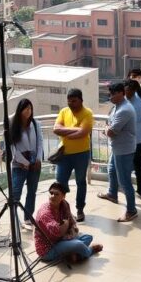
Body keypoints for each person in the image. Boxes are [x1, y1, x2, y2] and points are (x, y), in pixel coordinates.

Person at [98, 82, 138, 222]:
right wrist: (108, 128)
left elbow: (111, 132)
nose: (111, 97)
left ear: (121, 93)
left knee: (125, 181)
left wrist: (107, 129)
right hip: (117, 148)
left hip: (124, 150)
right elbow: (110, 127)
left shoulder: (124, 110)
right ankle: (112, 194)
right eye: (110, 94)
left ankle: (131, 211)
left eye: (113, 94)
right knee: (111, 170)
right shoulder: (117, 107)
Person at [34, 182, 102, 264]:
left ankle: (72, 254)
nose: (52, 196)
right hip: (48, 249)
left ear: (63, 196)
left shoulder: (64, 204)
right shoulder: (45, 213)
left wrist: (70, 227)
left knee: (88, 237)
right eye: (51, 193)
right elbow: (58, 231)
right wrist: (67, 225)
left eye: (56, 194)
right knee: (79, 245)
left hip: (61, 239)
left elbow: (72, 222)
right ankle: (89, 251)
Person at [53, 88, 94, 222]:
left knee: (80, 182)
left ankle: (80, 209)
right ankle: (60, 210)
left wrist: (66, 133)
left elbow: (83, 133)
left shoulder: (87, 113)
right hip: (64, 154)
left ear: (81, 100)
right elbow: (56, 129)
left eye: (74, 101)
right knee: (60, 183)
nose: (71, 103)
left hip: (81, 154)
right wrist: (76, 129)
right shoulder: (64, 111)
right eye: (69, 101)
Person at [9, 98, 44, 227]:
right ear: (20, 110)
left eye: (30, 109)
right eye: (26, 108)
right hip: (19, 164)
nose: (28, 111)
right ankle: (14, 219)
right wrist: (26, 163)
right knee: (16, 193)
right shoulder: (13, 125)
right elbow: (14, 149)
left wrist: (39, 159)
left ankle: (28, 217)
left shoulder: (35, 124)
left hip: (35, 162)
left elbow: (40, 143)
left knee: (32, 191)